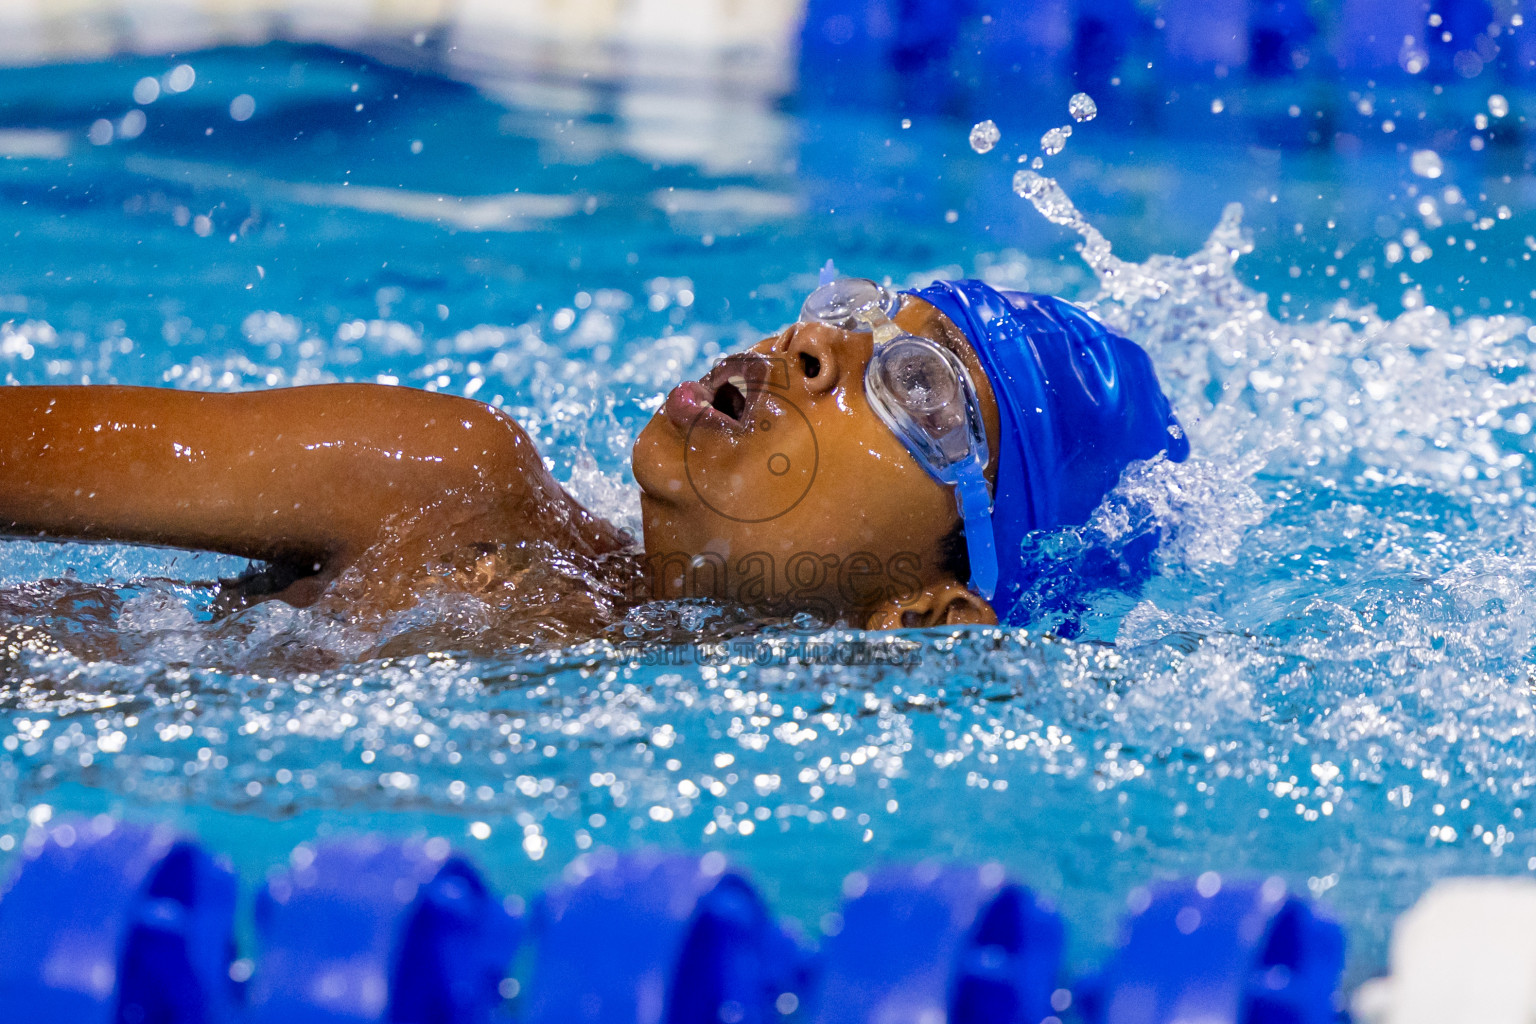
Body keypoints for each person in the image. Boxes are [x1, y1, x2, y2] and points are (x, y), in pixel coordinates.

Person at [0, 271, 1187, 642]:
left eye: (916, 388)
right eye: (861, 312)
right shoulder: (440, 485)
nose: (819, 341)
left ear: (931, 613)